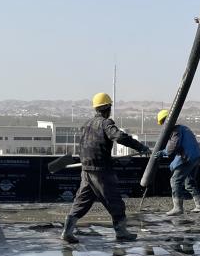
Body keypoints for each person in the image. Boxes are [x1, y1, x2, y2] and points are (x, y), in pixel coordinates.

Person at [61, 92, 150, 244]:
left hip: (86, 169)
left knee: (81, 201)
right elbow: (119, 136)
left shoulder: (86, 124)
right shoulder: (105, 123)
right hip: (101, 170)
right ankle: (121, 232)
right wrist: (140, 147)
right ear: (108, 108)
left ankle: (67, 231)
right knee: (115, 201)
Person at [156, 109, 200, 216]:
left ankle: (178, 208)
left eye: (163, 123)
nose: (163, 125)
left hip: (188, 158)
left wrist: (163, 152)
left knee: (175, 180)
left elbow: (172, 147)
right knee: (189, 182)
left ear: (166, 121)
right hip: (196, 157)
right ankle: (199, 206)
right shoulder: (183, 128)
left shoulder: (175, 131)